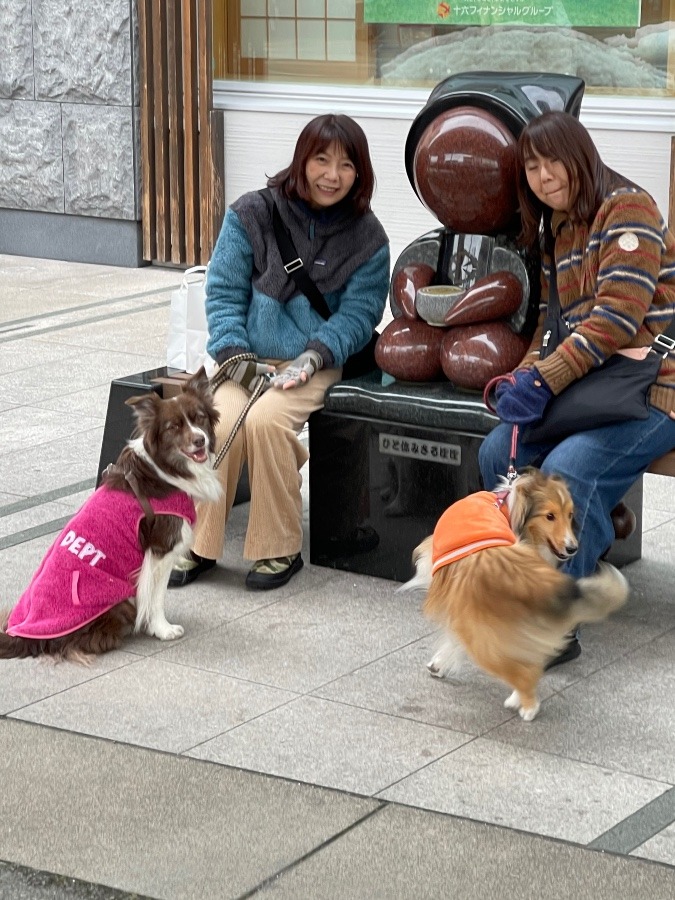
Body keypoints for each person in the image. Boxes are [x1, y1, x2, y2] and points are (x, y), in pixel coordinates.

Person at [479, 110, 675, 664]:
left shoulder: (627, 208)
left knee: (570, 468)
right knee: (498, 450)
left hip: (655, 390)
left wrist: (546, 379)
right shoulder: (557, 227)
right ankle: (526, 584)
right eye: (532, 168)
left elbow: (617, 316)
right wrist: (521, 377)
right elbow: (551, 320)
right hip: (595, 388)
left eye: (553, 161)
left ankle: (555, 617)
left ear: (581, 154)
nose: (544, 177)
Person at [169, 114, 390, 590]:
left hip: (316, 361)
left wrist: (312, 358)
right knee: (217, 423)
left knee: (266, 421)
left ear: (361, 173)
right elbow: (224, 293)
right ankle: (196, 543)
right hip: (245, 359)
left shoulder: (369, 237)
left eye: (347, 164)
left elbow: (359, 315)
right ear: (301, 161)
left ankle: (279, 548)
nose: (332, 175)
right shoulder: (252, 212)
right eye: (321, 160)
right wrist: (238, 360)